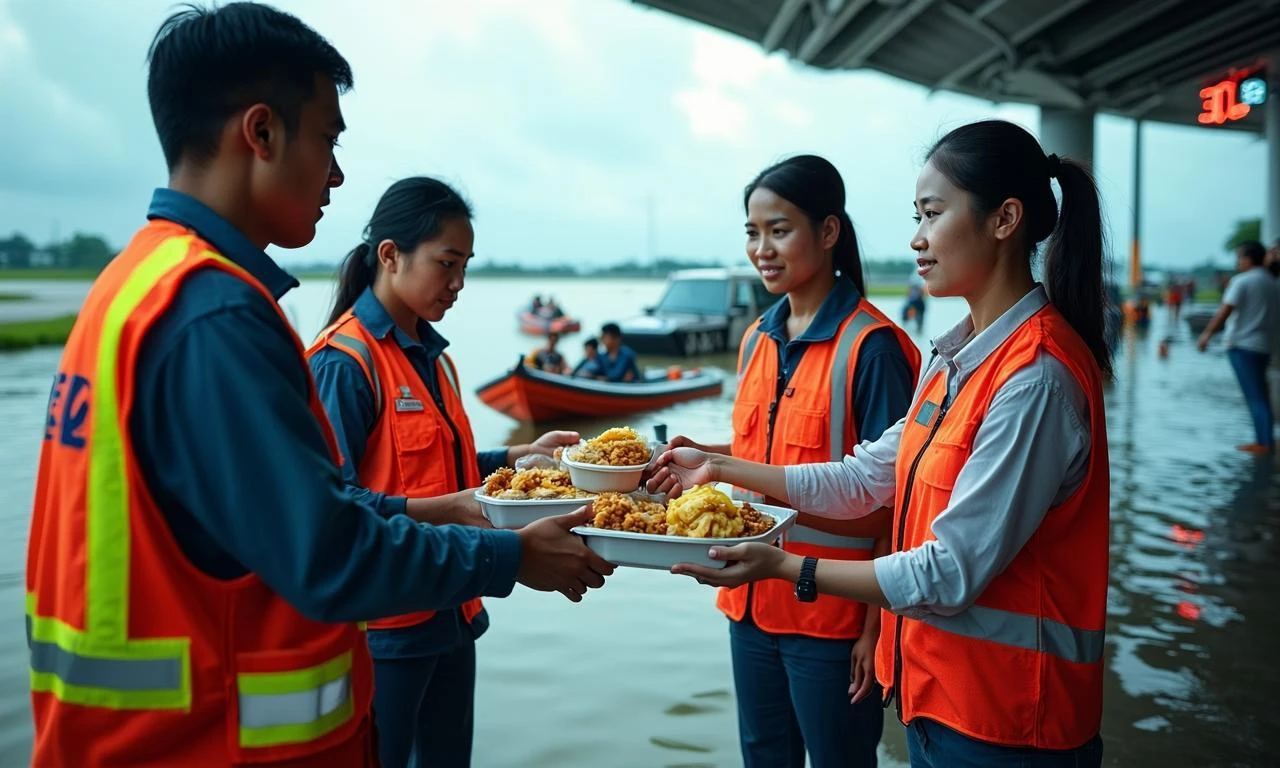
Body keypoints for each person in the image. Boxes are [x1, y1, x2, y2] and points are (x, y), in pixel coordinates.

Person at [24, 5, 611, 766]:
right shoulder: (217, 314)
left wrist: (491, 489)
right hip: (207, 741)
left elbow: (306, 511)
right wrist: (510, 556)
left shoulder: (133, 286)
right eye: (329, 140)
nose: (336, 174)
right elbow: (329, 549)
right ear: (261, 133)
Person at [651, 120, 1112, 767]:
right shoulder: (953, 361)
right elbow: (861, 479)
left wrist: (788, 568)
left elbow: (948, 572)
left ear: (1005, 219)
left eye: (933, 214)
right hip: (937, 695)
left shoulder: (1034, 377)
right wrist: (721, 466)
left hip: (1011, 721)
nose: (916, 239)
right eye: (915, 216)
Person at [306, 177, 589, 767]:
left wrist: (516, 458)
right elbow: (331, 511)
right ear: (391, 255)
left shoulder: (434, 359)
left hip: (454, 606)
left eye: (465, 266)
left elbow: (444, 469)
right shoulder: (345, 363)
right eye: (446, 263)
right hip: (386, 628)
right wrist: (454, 509)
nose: (458, 283)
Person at [655, 155, 920, 768]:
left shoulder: (873, 347)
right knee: (762, 756)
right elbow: (759, 457)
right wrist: (699, 456)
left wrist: (875, 629)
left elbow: (899, 501)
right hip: (747, 598)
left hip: (831, 617)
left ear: (828, 232)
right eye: (752, 233)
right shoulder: (757, 338)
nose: (762, 250)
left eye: (779, 230)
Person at [1197, 240, 1278, 453]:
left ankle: (1264, 443)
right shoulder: (1271, 281)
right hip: (1264, 346)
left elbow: (1224, 311)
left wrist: (1206, 335)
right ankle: (1265, 439)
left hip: (1242, 345)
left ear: (1248, 259)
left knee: (1255, 396)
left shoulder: (1242, 281)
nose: (1237, 262)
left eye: (1239, 258)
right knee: (1261, 394)